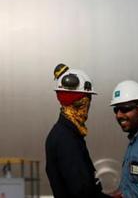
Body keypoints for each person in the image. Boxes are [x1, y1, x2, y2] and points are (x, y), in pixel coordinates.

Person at [45, 63, 110, 198]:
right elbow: (83, 192)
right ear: (80, 103)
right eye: (87, 101)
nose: (88, 108)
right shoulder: (66, 139)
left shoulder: (66, 133)